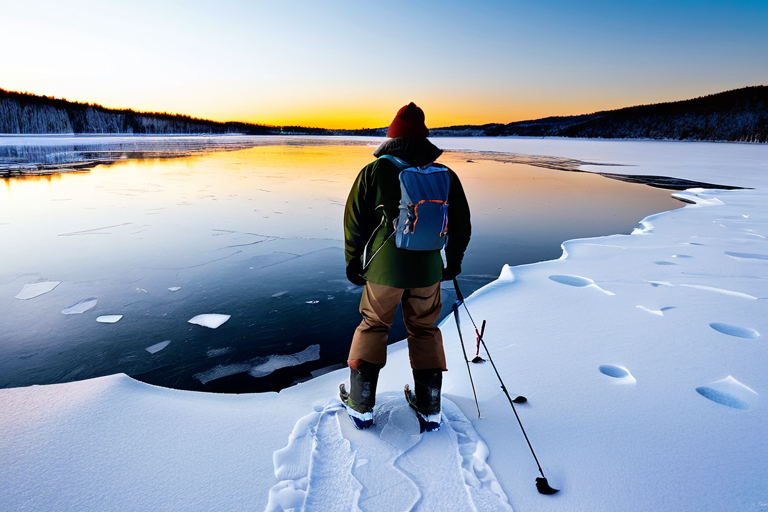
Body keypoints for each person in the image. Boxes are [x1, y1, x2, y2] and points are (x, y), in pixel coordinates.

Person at [340, 102, 471, 431]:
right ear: (423, 138)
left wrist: (353, 261)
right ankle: (429, 406)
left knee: (373, 326)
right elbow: (461, 225)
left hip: (386, 269)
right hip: (428, 269)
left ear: (392, 136)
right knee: (425, 330)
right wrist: (451, 263)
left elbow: (354, 222)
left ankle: (361, 404)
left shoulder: (376, 171)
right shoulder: (445, 176)